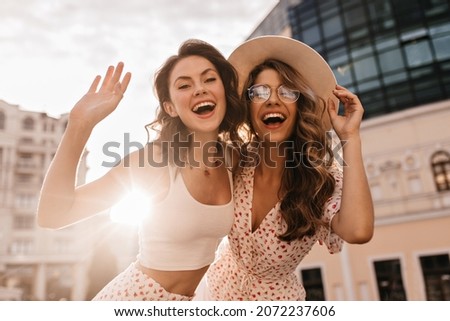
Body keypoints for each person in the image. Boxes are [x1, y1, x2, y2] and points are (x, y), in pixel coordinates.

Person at [37, 39, 245, 300]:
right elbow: (53, 215)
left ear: (224, 92)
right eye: (184, 85)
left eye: (209, 79)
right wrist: (80, 125)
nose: (200, 89)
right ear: (170, 107)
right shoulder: (152, 162)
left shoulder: (234, 161)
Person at [204, 36, 374, 300]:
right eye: (259, 92)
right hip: (212, 294)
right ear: (248, 108)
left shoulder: (320, 180)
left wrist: (350, 138)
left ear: (299, 106)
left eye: (286, 91)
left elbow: (359, 231)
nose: (272, 100)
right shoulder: (235, 161)